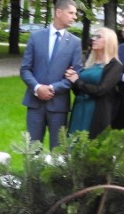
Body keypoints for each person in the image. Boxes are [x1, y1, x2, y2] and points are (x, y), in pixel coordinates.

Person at [19, 0, 82, 149]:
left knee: (58, 151)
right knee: (32, 151)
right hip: (35, 104)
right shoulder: (36, 37)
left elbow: (75, 74)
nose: (74, 17)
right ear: (58, 13)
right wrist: (37, 88)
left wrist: (53, 88)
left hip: (58, 106)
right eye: (71, 13)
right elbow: (25, 69)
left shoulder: (75, 43)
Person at [66, 27, 122, 138]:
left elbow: (101, 90)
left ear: (109, 42)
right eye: (93, 36)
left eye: (98, 37)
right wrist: (72, 78)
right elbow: (78, 90)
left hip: (96, 112)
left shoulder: (115, 66)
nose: (93, 39)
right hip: (79, 108)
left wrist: (77, 81)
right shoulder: (89, 63)